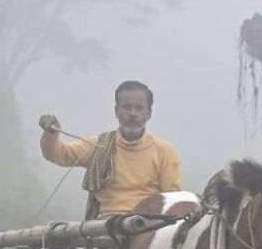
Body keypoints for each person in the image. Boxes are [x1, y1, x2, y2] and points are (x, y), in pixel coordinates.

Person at [39, 80, 182, 219]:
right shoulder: (99, 145)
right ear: (116, 111)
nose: (133, 113)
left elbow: (171, 199)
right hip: (105, 229)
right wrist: (50, 134)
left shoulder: (164, 151)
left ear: (149, 113)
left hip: (149, 228)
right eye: (126, 107)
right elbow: (58, 154)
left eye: (139, 108)